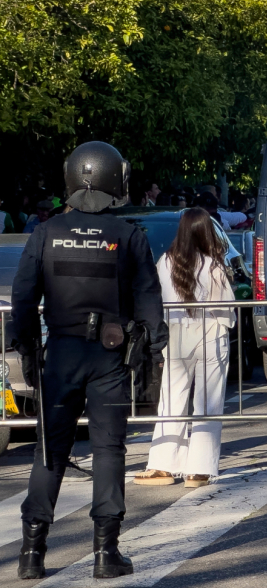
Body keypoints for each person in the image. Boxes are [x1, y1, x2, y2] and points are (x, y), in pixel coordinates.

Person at [12, 141, 167, 580]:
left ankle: (30, 554)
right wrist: (152, 355)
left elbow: (24, 298)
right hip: (109, 358)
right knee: (108, 453)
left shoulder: (46, 232)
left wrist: (25, 349)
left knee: (50, 454)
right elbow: (148, 303)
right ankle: (105, 554)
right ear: (115, 179)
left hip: (60, 355)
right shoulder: (129, 236)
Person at [135, 208, 235, 489]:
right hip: (210, 336)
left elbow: (156, 298)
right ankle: (199, 470)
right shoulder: (212, 264)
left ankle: (163, 465)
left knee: (171, 400)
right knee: (207, 404)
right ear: (206, 232)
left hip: (175, 336)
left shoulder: (166, 261)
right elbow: (225, 309)